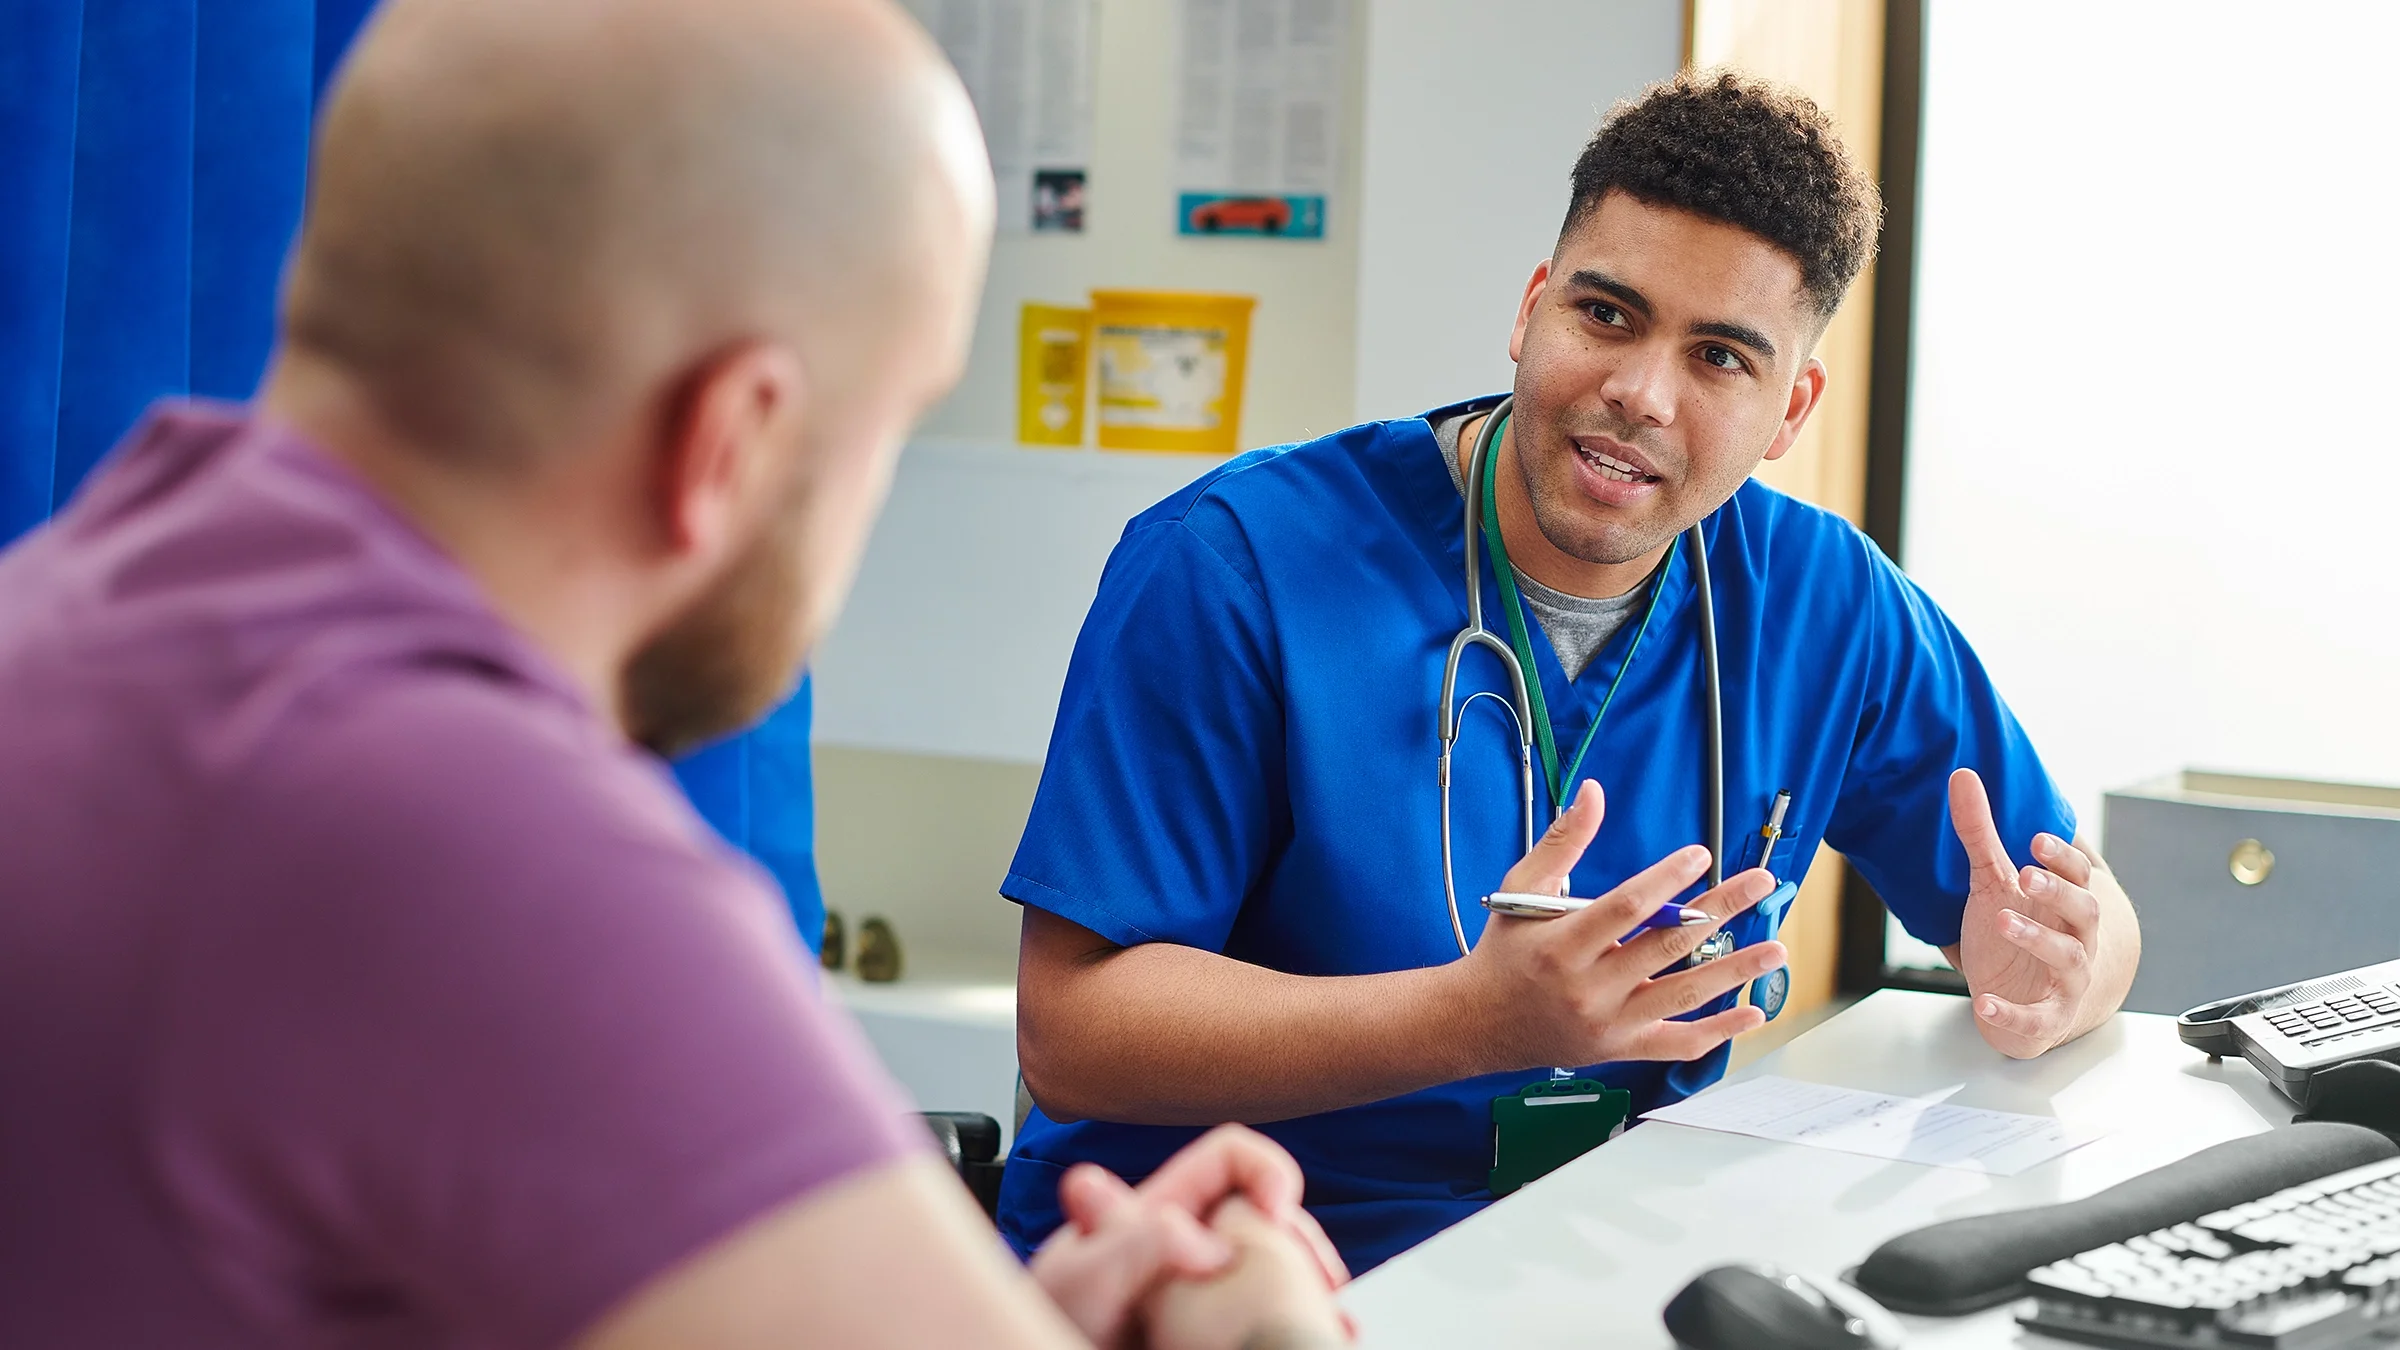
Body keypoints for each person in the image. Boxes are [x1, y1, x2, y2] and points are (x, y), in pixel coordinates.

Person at [0, 0, 1352, 1346]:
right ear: (736, 436)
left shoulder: (67, 620)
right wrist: (1259, 1325)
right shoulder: (485, 846)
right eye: (884, 425)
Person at [1001, 71, 2145, 1274]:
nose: (1640, 394)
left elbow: (2080, 909)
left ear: (1791, 408)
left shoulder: (1826, 604)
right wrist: (1469, 1022)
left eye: (1719, 358)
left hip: (1592, 1261)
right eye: (1607, 315)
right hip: (1226, 1270)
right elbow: (1073, 1031)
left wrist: (2067, 974)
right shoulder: (1239, 565)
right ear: (1533, 308)